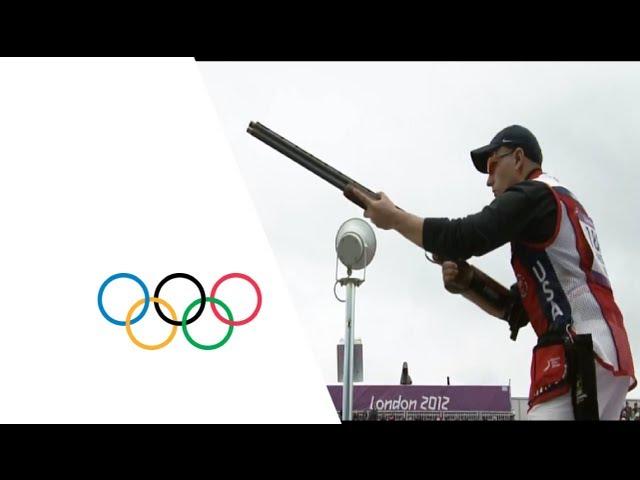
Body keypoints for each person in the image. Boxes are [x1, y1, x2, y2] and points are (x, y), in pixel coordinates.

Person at [346, 125, 636, 420]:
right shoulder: (560, 204)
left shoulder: (537, 194)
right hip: (602, 355)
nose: (488, 180)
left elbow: (466, 235)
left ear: (519, 158)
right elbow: (515, 310)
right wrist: (468, 282)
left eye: (493, 165)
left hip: (580, 350)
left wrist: (395, 219)